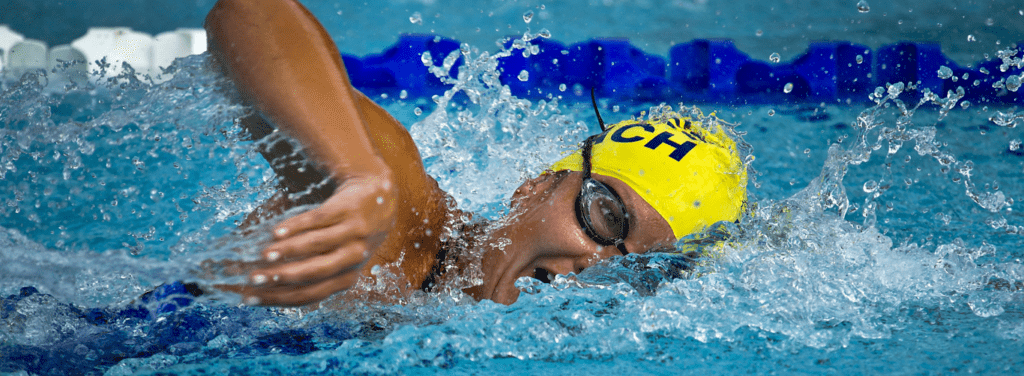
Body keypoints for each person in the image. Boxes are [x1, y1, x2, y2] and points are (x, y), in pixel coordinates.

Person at [203, 0, 747, 306]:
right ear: (534, 187)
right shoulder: (399, 221)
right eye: (604, 217)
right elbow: (250, 16)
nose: (596, 265)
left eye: (640, 270)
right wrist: (357, 177)